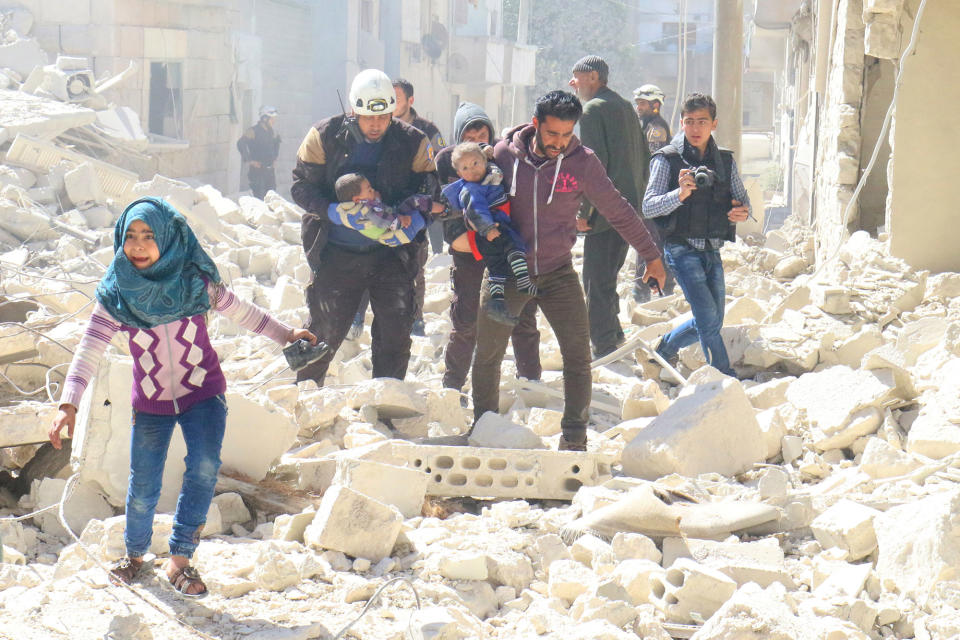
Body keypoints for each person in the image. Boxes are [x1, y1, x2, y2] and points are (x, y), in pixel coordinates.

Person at [47, 197, 315, 596]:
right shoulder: (117, 295)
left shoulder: (197, 285)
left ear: (169, 239)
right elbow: (89, 348)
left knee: (204, 468)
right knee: (143, 485)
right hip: (150, 402)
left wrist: (286, 335)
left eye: (148, 236)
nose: (138, 245)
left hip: (203, 393)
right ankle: (135, 555)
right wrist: (68, 404)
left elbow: (244, 313)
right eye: (131, 237)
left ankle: (180, 559)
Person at [473, 90, 665, 451]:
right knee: (487, 355)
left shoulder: (582, 163)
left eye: (566, 135)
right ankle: (482, 431)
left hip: (558, 272)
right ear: (536, 125)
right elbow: (468, 189)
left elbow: (618, 209)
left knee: (578, 357)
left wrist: (650, 255)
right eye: (552, 135)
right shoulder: (503, 156)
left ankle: (574, 440)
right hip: (508, 272)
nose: (559, 143)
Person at [291, 68, 439, 385]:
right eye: (368, 118)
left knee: (395, 333)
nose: (376, 125)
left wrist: (413, 222)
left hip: (392, 253)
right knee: (323, 329)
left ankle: (386, 404)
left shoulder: (413, 142)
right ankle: (302, 400)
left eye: (383, 117)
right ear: (354, 110)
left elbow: (430, 191)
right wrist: (330, 211)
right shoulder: (323, 136)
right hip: (337, 252)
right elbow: (301, 186)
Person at [642, 93, 751, 377]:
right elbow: (648, 205)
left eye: (702, 121)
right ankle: (723, 376)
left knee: (712, 319)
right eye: (689, 122)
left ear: (713, 124)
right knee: (707, 317)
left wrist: (741, 211)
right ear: (681, 123)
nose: (695, 128)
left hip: (712, 248)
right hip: (680, 247)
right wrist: (679, 194)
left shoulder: (725, 161)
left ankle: (663, 350)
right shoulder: (666, 159)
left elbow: (742, 201)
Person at [435, 102, 541, 391]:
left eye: (482, 130)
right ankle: (452, 388)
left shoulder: (501, 160)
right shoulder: (449, 164)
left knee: (522, 318)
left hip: (505, 250)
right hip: (470, 254)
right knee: (466, 322)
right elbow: (446, 214)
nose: (477, 136)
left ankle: (530, 383)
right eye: (470, 131)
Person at [567, 55, 652, 358]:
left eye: (575, 77)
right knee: (608, 275)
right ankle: (613, 333)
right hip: (628, 210)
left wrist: (584, 212)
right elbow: (644, 157)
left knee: (595, 279)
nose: (572, 83)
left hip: (604, 211)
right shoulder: (624, 106)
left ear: (592, 77)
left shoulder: (592, 110)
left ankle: (603, 346)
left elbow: (594, 166)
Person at [441, 142, 537, 324]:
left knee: (497, 268)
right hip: (491, 229)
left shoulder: (489, 175)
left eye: (476, 163)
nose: (472, 170)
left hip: (495, 226)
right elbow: (476, 210)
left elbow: (491, 164)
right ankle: (523, 282)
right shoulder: (471, 189)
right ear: (459, 174)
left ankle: (497, 304)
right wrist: (487, 229)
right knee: (514, 247)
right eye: (465, 168)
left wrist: (486, 150)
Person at [632, 84, 677, 302]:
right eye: (638, 103)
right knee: (647, 240)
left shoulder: (656, 128)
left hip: (653, 194)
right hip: (647, 194)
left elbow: (651, 163)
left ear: (656, 105)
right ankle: (648, 289)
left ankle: (652, 290)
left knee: (651, 241)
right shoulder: (645, 125)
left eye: (643, 103)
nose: (639, 107)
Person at [332, 172, 440, 244]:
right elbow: (382, 219)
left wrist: (377, 199)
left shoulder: (354, 209)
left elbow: (378, 213)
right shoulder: (367, 208)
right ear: (356, 199)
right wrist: (400, 220)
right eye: (369, 190)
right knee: (414, 202)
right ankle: (442, 207)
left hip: (388, 226)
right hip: (395, 229)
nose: (373, 190)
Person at [237, 106, 281, 199]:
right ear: (264, 118)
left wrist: (275, 158)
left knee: (271, 198)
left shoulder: (273, 132)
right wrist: (250, 160)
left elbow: (277, 143)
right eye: (271, 119)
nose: (274, 121)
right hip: (257, 172)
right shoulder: (253, 131)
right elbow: (241, 143)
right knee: (259, 198)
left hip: (269, 172)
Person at [633, 84, 672, 153]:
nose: (638, 108)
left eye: (642, 104)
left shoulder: (657, 128)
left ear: (655, 105)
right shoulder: (648, 125)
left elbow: (655, 159)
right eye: (637, 104)